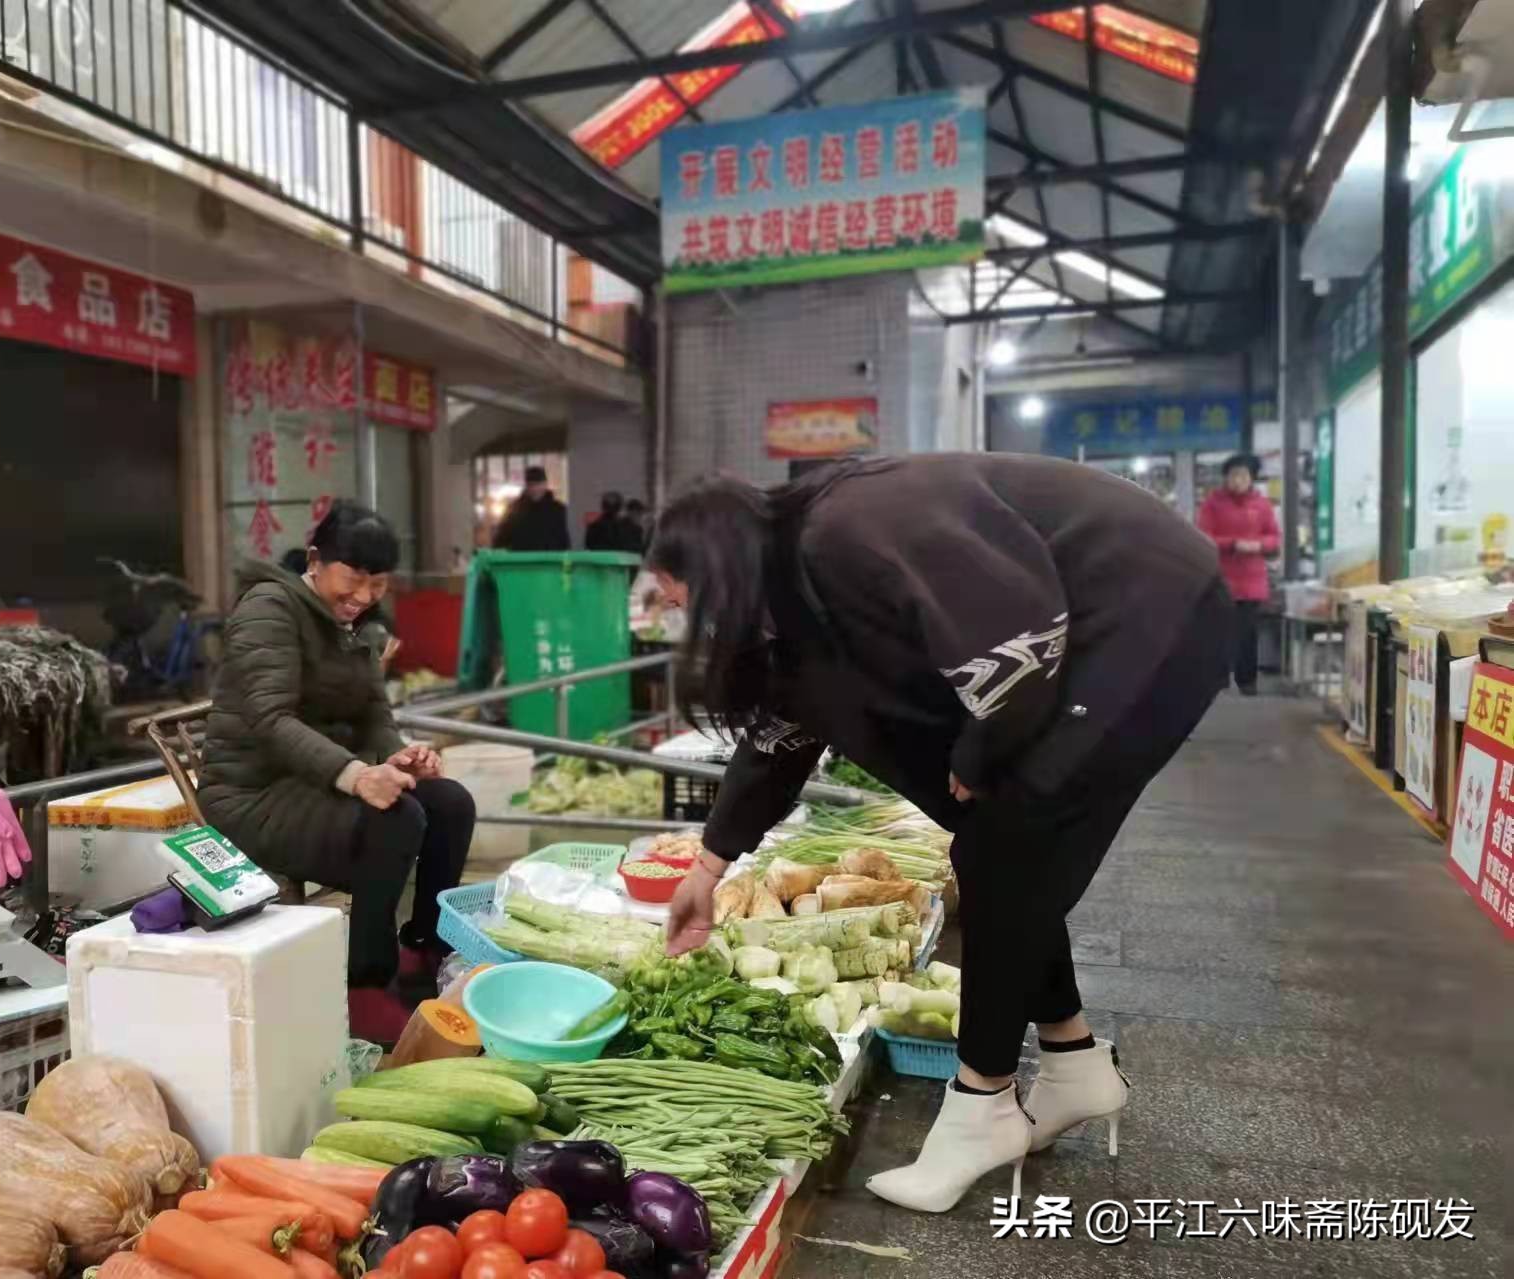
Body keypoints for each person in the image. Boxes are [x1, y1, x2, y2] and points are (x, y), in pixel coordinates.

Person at [653, 456, 1229, 1215]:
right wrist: (709, 863)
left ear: (721, 568)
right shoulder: (792, 602)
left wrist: (981, 748)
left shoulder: (849, 525)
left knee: (1005, 846)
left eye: (678, 602)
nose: (679, 622)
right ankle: (1072, 1062)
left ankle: (982, 1106)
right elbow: (780, 734)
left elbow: (1021, 625)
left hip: (1145, 610)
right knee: (995, 849)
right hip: (1081, 638)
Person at [198, 501, 475, 1043]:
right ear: (316, 560)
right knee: (394, 820)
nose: (363, 597)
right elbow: (270, 718)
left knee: (449, 801)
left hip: (314, 782)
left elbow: (375, 713)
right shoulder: (269, 609)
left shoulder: (358, 624)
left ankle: (423, 949)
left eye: (377, 585)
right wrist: (355, 775)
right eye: (353, 581)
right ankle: (364, 986)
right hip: (253, 793)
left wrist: (397, 757)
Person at [1196, 453, 1278, 695]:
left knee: (1247, 633)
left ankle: (1247, 680)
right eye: (1233, 475)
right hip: (1220, 579)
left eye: (1243, 475)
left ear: (1252, 478)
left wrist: (1260, 545)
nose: (1238, 480)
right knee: (1219, 632)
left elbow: (1274, 537)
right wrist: (1233, 544)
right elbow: (1203, 536)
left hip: (1252, 581)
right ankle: (1216, 679)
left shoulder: (1262, 505)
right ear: (1225, 478)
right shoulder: (1213, 503)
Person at [493, 466, 570, 551]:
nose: (534, 489)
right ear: (526, 486)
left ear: (545, 485)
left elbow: (563, 540)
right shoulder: (514, 509)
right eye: (531, 485)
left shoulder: (558, 510)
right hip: (528, 561)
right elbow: (501, 539)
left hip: (539, 561)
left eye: (538, 484)